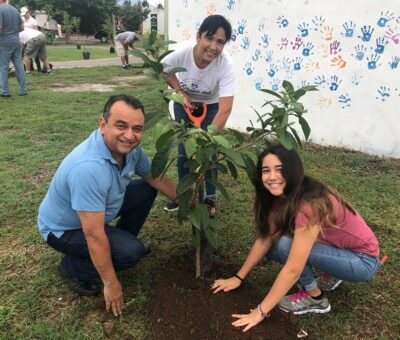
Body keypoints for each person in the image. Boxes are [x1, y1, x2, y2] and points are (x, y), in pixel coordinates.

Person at [212, 144, 381, 332]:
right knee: (278, 243)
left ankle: (315, 298)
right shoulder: (285, 194)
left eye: (280, 169)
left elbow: (293, 269)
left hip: (363, 261)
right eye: (266, 170)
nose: (272, 177)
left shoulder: (309, 204)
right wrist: (238, 277)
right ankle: (333, 272)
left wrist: (260, 312)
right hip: (342, 249)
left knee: (283, 246)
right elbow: (265, 238)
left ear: (293, 170)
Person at [37, 95, 177, 317]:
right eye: (121, 126)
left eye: (137, 128)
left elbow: (154, 177)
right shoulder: (88, 168)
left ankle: (120, 243)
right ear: (103, 124)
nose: (130, 136)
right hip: (64, 230)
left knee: (147, 188)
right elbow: (93, 235)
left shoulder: (131, 151)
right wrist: (111, 283)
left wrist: (186, 202)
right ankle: (71, 268)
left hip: (100, 208)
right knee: (131, 253)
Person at [162, 14, 235, 212]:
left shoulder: (226, 65)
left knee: (209, 153)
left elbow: (225, 108)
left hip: (211, 106)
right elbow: (163, 69)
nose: (213, 46)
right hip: (184, 103)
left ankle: (209, 197)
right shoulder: (183, 53)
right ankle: (183, 195)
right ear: (198, 36)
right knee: (183, 151)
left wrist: (208, 140)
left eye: (220, 42)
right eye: (209, 38)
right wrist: (180, 92)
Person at [0, 0, 26, 97]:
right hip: (16, 41)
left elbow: (0, 28)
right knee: (19, 65)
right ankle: (23, 90)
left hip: (4, 41)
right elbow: (22, 28)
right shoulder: (14, 9)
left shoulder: (0, 10)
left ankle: (5, 91)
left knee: (3, 67)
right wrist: (13, 32)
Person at [20, 6, 41, 71]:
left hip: (32, 39)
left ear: (27, 13)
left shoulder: (33, 21)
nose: (24, 16)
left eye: (24, 14)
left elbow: (36, 30)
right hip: (24, 40)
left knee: (35, 55)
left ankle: (39, 68)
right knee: (26, 55)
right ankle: (30, 68)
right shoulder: (22, 19)